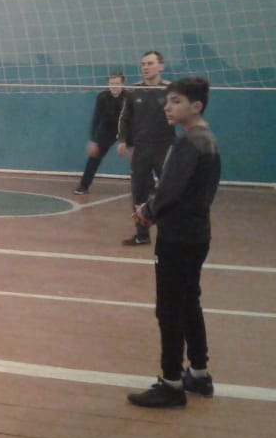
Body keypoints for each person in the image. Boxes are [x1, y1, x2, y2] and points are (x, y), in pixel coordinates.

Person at [126, 77, 221, 409]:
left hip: (178, 237)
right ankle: (199, 373)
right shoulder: (206, 139)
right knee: (189, 301)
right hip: (196, 234)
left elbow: (170, 190)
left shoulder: (189, 143)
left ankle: (171, 383)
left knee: (169, 308)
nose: (167, 107)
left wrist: (147, 211)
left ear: (197, 106)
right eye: (167, 101)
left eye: (176, 101)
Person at [117, 51, 175, 245]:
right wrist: (122, 140)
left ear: (161, 66)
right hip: (141, 149)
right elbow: (125, 118)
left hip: (165, 148)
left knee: (169, 190)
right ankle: (142, 235)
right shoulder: (133, 91)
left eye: (150, 63)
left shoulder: (170, 90)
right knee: (138, 192)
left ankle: (172, 234)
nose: (146, 67)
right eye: (143, 64)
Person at [73, 71, 126, 195]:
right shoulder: (102, 97)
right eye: (111, 83)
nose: (114, 86)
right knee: (94, 157)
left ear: (123, 84)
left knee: (137, 158)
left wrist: (125, 140)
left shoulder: (129, 97)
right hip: (108, 129)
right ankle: (83, 186)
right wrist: (93, 140)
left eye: (117, 83)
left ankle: (147, 188)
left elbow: (132, 119)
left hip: (125, 128)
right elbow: (96, 118)